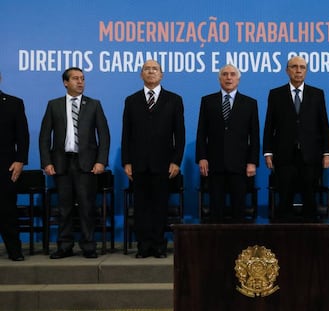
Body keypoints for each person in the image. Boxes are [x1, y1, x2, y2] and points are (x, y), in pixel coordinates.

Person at [39, 67, 110, 259]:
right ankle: (65, 245)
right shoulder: (54, 105)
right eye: (76, 79)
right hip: (62, 163)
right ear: (65, 82)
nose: (80, 82)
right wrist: (46, 162)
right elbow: (44, 136)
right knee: (65, 208)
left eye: (83, 79)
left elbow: (104, 136)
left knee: (87, 207)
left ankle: (88, 245)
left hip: (87, 164)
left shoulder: (94, 104)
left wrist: (101, 161)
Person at [121, 60, 185, 258]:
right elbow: (126, 135)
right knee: (141, 208)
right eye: (147, 69)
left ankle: (158, 245)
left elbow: (179, 134)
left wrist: (176, 161)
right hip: (138, 164)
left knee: (159, 207)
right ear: (141, 75)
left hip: (164, 164)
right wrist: (127, 162)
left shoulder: (174, 99)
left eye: (154, 69)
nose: (151, 72)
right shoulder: (131, 100)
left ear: (161, 74)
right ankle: (143, 246)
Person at [263, 56, 329, 222]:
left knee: (310, 199)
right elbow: (269, 125)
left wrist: (327, 153)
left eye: (302, 67)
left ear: (306, 71)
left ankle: (309, 243)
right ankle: (283, 242)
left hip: (311, 156)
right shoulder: (276, 94)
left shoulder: (317, 94)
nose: (298, 70)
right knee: (285, 199)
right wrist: (267, 152)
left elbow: (324, 125)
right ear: (287, 70)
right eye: (294, 67)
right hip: (284, 156)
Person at [196, 64, 260, 223]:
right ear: (219, 79)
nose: (229, 77)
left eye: (232, 74)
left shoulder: (250, 103)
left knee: (238, 210)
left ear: (238, 79)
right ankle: (216, 246)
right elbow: (201, 133)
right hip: (214, 165)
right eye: (225, 74)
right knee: (215, 210)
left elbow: (255, 136)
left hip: (240, 166)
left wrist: (252, 162)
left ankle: (239, 246)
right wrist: (202, 157)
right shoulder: (207, 101)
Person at [0, 72, 30, 261]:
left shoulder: (13, 103)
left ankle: (14, 250)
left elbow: (23, 136)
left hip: (5, 167)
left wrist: (20, 161)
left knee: (7, 211)